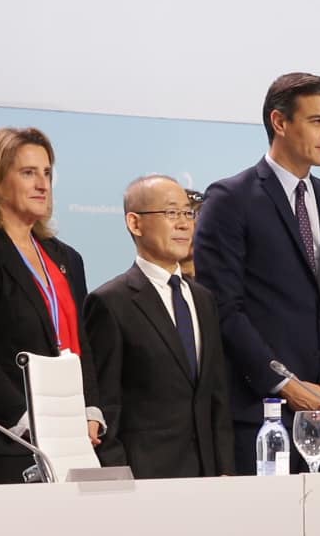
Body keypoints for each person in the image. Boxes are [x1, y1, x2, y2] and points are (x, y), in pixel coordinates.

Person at [193, 72, 320, 474]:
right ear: (280, 122)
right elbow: (223, 308)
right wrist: (284, 384)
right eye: (318, 121)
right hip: (262, 416)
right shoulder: (231, 198)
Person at [0, 127, 103, 485]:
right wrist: (30, 420)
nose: (43, 184)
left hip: (67, 439)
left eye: (47, 173)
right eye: (28, 173)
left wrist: (91, 408)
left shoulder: (66, 259)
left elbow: (82, 345)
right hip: (1, 442)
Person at [83, 175, 234, 478]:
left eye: (187, 213)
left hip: (207, 478)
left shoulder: (203, 299)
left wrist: (225, 471)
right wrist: (118, 479)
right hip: (144, 479)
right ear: (135, 223)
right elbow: (105, 406)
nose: (184, 224)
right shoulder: (110, 302)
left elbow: (216, 397)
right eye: (171, 213)